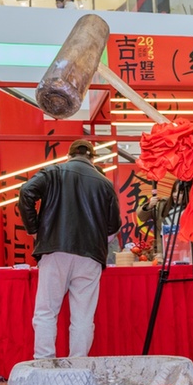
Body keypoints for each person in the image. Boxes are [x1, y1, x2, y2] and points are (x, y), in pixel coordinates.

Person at [18, 139, 121, 358]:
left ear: (69, 156)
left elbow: (26, 192)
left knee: (46, 311)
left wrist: (35, 230)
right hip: (91, 256)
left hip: (55, 249)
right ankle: (78, 366)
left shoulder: (53, 172)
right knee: (83, 317)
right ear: (92, 158)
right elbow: (114, 226)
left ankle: (44, 363)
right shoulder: (104, 183)